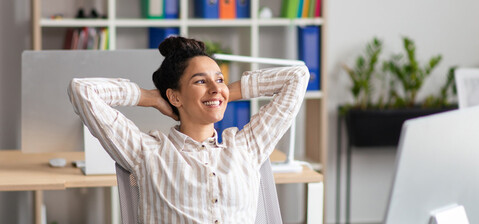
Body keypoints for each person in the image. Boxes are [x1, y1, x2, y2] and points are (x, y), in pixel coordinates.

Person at [68, 36, 309, 223]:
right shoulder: (146, 153)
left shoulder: (247, 147)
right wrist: (152, 98)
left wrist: (225, 93)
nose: (215, 86)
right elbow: (82, 91)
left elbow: (298, 76)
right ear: (175, 97)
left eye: (220, 78)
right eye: (200, 81)